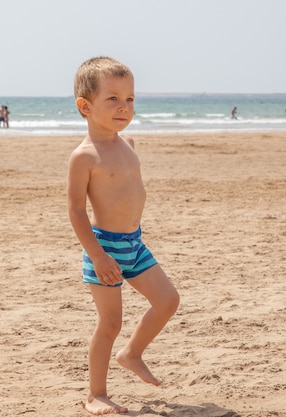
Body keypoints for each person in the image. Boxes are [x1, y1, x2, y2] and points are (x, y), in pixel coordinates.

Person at [67, 56, 180, 415]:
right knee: (110, 322)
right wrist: (98, 256)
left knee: (168, 301)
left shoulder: (128, 141)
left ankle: (132, 353)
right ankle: (95, 394)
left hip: (135, 243)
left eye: (130, 99)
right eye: (112, 98)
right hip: (105, 248)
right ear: (86, 106)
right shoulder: (84, 157)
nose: (124, 107)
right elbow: (76, 211)